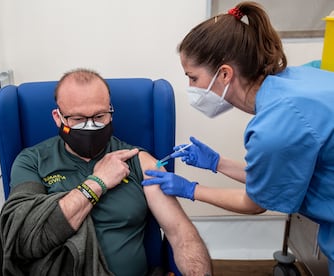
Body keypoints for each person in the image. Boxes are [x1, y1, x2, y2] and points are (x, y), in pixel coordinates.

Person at [142, 1, 334, 275]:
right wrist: (217, 163)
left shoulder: (275, 127)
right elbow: (276, 173)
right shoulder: (295, 80)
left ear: (224, 73)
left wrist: (191, 189)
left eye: (193, 78)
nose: (190, 88)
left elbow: (254, 204)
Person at [0, 68, 212, 276]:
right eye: (78, 119)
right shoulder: (32, 161)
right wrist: (98, 182)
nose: (90, 127)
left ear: (111, 113)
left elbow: (182, 235)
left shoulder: (139, 161)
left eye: (99, 117)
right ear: (58, 118)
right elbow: (23, 234)